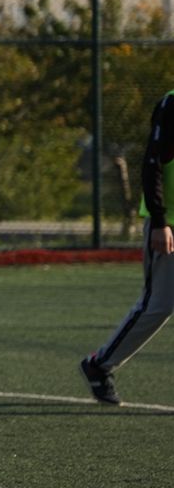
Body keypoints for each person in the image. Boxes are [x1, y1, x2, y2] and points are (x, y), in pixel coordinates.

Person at [80, 87, 174, 406]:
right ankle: (99, 365)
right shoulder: (171, 104)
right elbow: (152, 165)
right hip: (169, 224)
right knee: (158, 305)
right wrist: (160, 221)